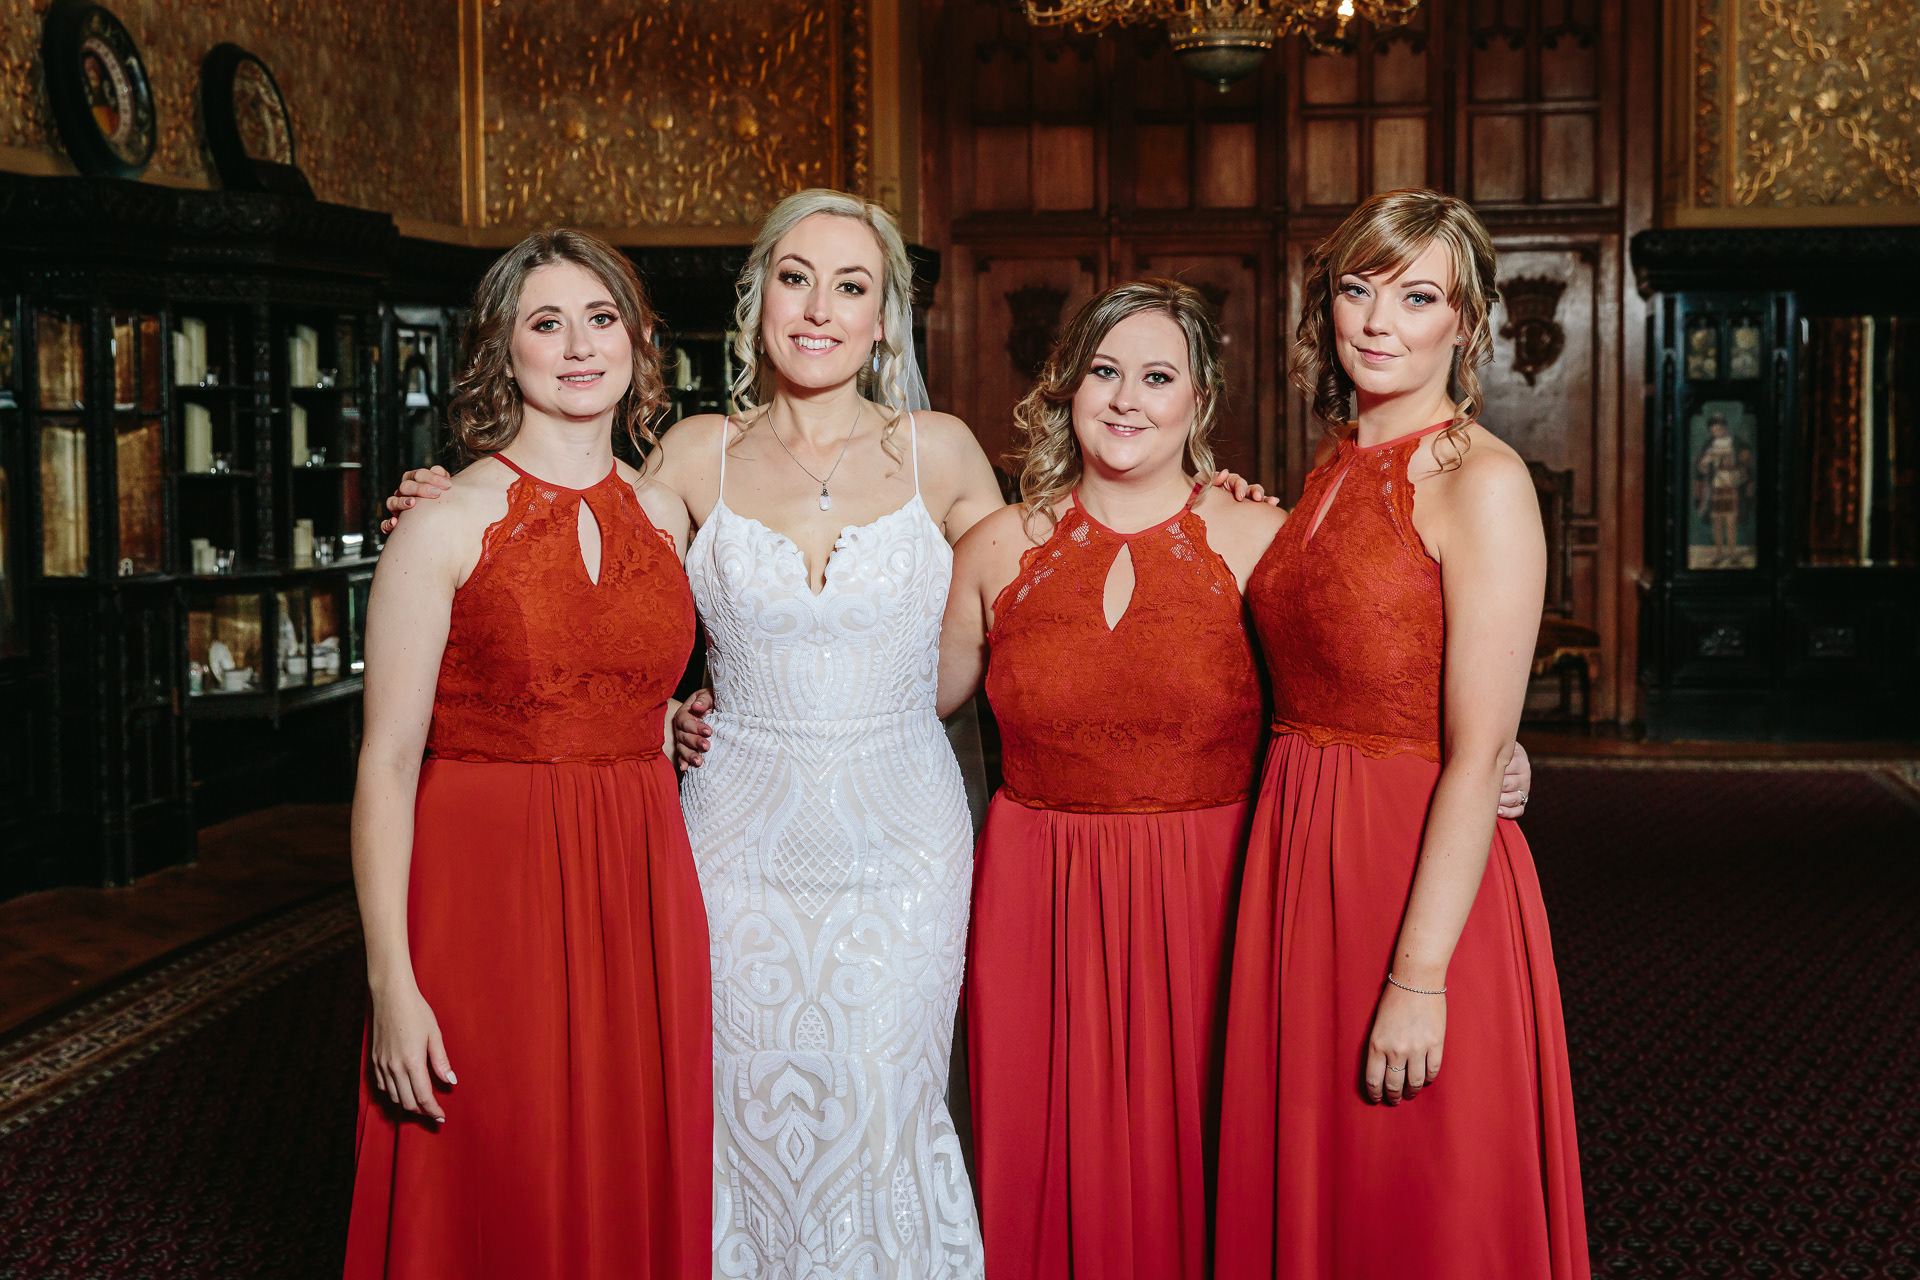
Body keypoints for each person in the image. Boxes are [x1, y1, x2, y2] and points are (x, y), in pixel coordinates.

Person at [388, 191, 1008, 1278]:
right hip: (734, 844)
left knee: (884, 1106)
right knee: (732, 1112)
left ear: (884, 319)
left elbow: (1038, 587)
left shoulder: (943, 453)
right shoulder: (691, 455)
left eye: (850, 286)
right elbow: (595, 589)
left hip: (903, 842)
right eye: (795, 279)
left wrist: (1203, 491)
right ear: (757, 298)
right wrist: (445, 505)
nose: (818, 309)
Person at [935, 279, 1533, 1280]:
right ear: (1067, 386)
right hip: (1035, 901)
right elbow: (899, 707)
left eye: (1157, 376)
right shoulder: (993, 548)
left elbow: (1364, 677)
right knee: (1045, 1162)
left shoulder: (1266, 537)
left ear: (1199, 400)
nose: (1127, 398)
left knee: (1216, 1169)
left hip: (1216, 897)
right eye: (1104, 371)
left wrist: (1495, 747)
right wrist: (705, 702)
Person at [1215, 189, 1587, 1278]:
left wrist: (1419, 975)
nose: (1379, 321)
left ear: (1465, 322)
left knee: (1420, 1199)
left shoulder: (1484, 480)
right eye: (1358, 289)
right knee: (1327, 1185)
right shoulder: (1331, 464)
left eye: (1417, 297)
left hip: (1412, 876)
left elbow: (1478, 751)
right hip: (1300, 856)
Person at [345, 230, 710, 1278]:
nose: (579, 346)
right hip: (487, 897)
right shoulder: (445, 521)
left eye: (601, 318)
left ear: (638, 341)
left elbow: (621, 680)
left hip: (640, 883)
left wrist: (668, 719)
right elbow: (385, 765)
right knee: (502, 1171)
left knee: (624, 1162)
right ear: (502, 351)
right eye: (547, 323)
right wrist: (391, 983)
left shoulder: (668, 514)